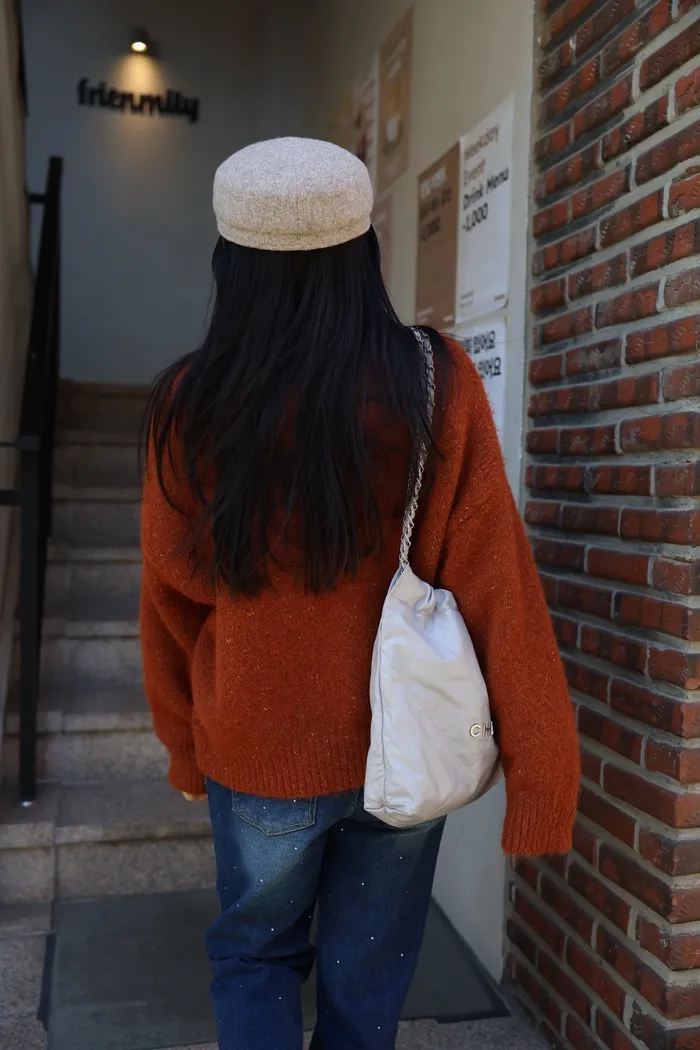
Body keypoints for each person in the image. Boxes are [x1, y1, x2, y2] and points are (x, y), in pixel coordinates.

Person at [139, 137, 580, 1050]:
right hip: (403, 748)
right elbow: (496, 581)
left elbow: (171, 597)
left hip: (255, 747)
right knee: (368, 980)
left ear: (230, 264)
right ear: (362, 252)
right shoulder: (433, 381)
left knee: (254, 957)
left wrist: (184, 745)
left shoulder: (189, 402)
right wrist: (543, 769)